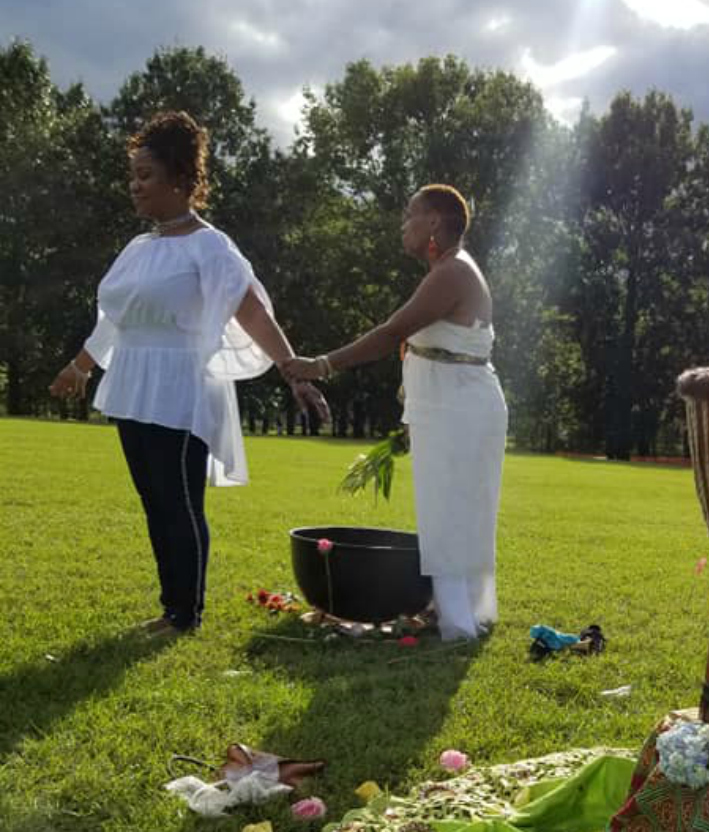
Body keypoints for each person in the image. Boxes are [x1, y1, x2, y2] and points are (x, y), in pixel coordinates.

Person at [48, 110, 328, 636]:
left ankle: (185, 615)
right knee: (155, 504)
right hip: (133, 386)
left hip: (181, 389)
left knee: (178, 503)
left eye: (146, 176)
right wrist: (79, 367)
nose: (135, 187)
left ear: (180, 179)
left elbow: (252, 312)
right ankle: (170, 607)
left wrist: (295, 372)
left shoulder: (211, 247)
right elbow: (115, 320)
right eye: (132, 176)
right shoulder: (138, 249)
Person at [284, 184, 507, 641]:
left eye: (410, 215)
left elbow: (391, 333)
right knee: (454, 509)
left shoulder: (452, 273)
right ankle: (460, 612)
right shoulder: (446, 270)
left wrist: (321, 364)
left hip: (460, 406)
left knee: (449, 511)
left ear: (434, 223)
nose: (402, 225)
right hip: (453, 404)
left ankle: (459, 622)